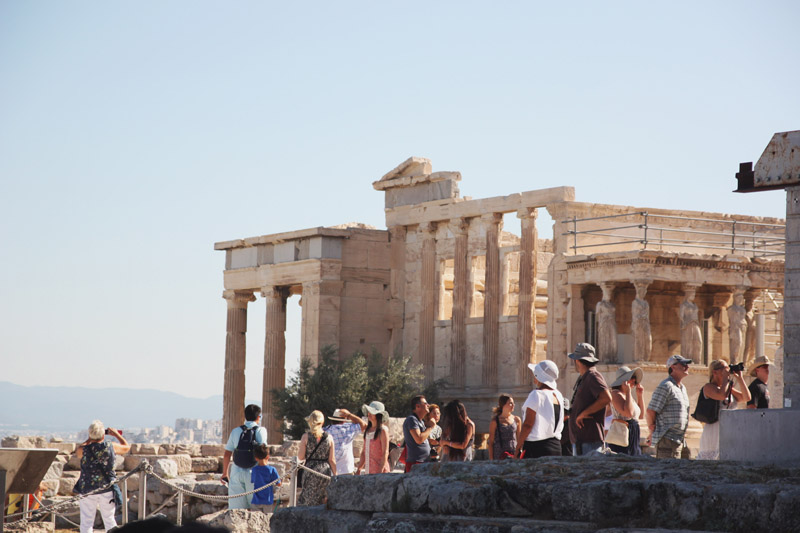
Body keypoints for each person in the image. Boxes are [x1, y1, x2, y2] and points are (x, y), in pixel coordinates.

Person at [74, 420, 130, 533]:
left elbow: (78, 451)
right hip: (107, 488)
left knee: (86, 522)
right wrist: (116, 434)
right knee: (109, 520)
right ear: (103, 435)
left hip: (87, 489)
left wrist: (89, 439)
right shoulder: (111, 446)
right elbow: (126, 447)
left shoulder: (84, 450)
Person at [697, 360, 751, 460]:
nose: (728, 371)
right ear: (715, 372)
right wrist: (726, 378)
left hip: (730, 430)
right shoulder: (708, 387)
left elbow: (746, 398)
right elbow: (721, 395)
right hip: (715, 431)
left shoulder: (728, 389)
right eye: (724, 369)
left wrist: (740, 378)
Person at [568, 343, 612, 455]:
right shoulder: (585, 377)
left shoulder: (593, 376)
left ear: (577, 361)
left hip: (589, 440)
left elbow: (606, 398)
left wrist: (584, 414)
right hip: (582, 440)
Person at [221, 404, 267, 509]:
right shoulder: (261, 431)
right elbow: (264, 453)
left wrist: (225, 473)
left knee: (236, 511)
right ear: (258, 417)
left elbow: (227, 454)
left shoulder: (236, 431)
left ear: (245, 416)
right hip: (254, 472)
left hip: (237, 471)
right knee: (256, 510)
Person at [516, 361, 564, 458]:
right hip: (556, 447)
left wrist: (517, 447)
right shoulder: (558, 395)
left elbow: (528, 424)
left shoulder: (536, 395)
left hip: (536, 448)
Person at [646, 355, 692, 458]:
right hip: (667, 440)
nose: (687, 367)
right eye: (683, 364)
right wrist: (652, 430)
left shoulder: (683, 388)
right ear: (673, 367)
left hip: (680, 440)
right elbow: (651, 411)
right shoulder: (666, 386)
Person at [297, 410, 336, 505]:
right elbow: (331, 459)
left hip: (310, 469)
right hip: (324, 470)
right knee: (322, 499)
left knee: (308, 499)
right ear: (322, 422)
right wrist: (336, 475)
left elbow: (301, 457)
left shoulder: (305, 437)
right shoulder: (329, 438)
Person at [606, 366, 645, 456]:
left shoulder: (627, 396)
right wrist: (628, 392)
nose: (634, 381)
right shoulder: (616, 394)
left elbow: (640, 415)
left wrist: (640, 396)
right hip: (623, 433)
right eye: (632, 378)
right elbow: (628, 413)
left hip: (633, 432)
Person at [324, 408, 367, 475]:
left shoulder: (325, 430)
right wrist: (349, 415)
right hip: (347, 469)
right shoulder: (349, 429)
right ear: (344, 420)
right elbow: (364, 424)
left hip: (330, 470)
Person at [402, 395, 435, 472]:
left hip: (423, 462)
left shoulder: (421, 422)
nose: (428, 405)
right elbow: (419, 439)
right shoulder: (412, 419)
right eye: (425, 403)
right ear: (417, 406)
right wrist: (430, 427)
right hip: (415, 463)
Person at [356, 401, 391, 474]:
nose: (369, 413)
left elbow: (385, 452)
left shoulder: (383, 430)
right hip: (369, 471)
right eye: (369, 411)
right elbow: (364, 452)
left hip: (381, 472)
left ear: (378, 415)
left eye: (372, 412)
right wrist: (359, 469)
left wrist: (380, 471)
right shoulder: (367, 430)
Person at [250, 443, 281, 514]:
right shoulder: (272, 470)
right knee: (267, 520)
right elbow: (278, 483)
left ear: (256, 458)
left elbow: (253, 481)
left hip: (256, 500)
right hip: (268, 500)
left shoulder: (254, 470)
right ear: (268, 456)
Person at [488, 394, 521, 460]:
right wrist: (491, 459)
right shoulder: (495, 421)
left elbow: (519, 439)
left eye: (513, 403)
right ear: (503, 404)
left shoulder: (517, 419)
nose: (513, 405)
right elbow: (491, 442)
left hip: (513, 454)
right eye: (510, 403)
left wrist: (519, 452)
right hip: (499, 455)